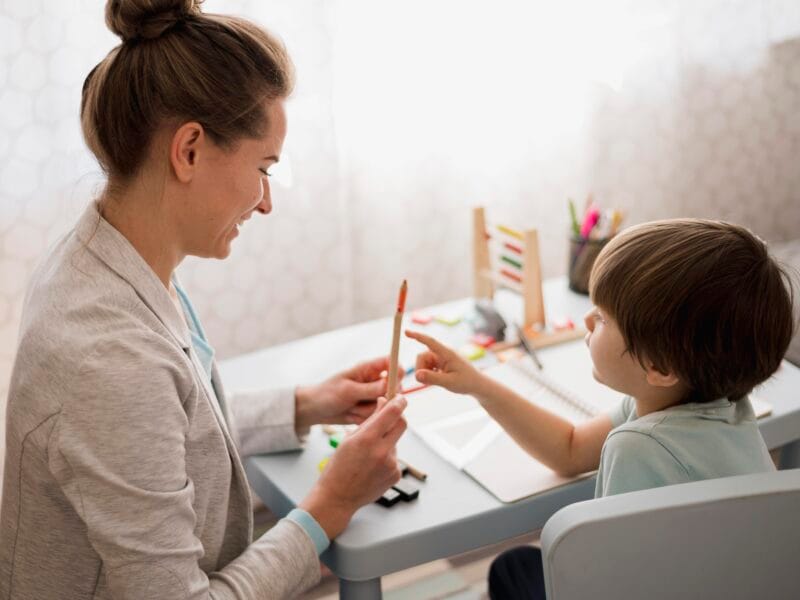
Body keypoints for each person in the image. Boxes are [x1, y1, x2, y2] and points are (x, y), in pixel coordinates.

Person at [0, 1, 408, 598]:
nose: (266, 201)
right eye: (263, 167)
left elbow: (165, 436)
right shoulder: (107, 356)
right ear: (188, 149)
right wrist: (330, 506)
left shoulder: (107, 258)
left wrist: (305, 405)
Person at [406, 219, 795, 600]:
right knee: (519, 565)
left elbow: (613, 582)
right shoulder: (727, 404)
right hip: (731, 580)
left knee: (510, 569)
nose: (587, 320)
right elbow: (569, 449)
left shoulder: (637, 447)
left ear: (660, 368)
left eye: (604, 318)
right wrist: (479, 386)